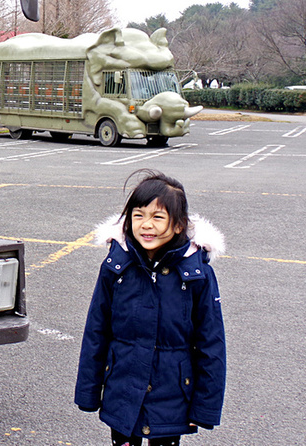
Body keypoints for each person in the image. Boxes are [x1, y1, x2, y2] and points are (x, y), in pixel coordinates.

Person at [74, 169, 226, 446]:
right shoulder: (116, 268)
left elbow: (211, 344)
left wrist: (205, 408)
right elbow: (96, 331)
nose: (147, 225)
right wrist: (88, 391)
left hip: (172, 397)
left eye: (158, 217)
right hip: (123, 391)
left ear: (179, 225)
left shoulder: (197, 275)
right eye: (138, 215)